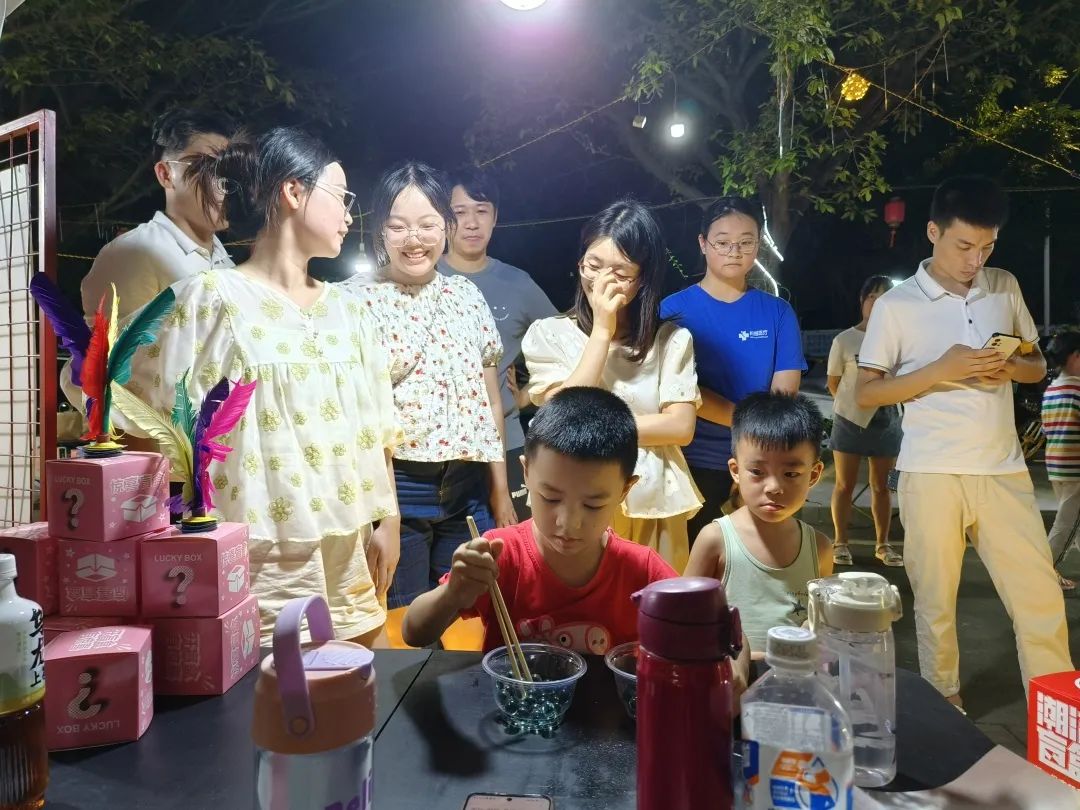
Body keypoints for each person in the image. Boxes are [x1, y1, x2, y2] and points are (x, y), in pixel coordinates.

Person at [120, 127, 400, 644]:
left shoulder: (350, 312)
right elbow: (134, 407)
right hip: (261, 561)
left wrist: (391, 521)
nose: (349, 216)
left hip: (349, 555)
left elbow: (379, 427)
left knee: (356, 682)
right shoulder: (210, 299)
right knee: (270, 686)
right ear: (294, 191)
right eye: (342, 197)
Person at [856, 175, 1072, 707]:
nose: (975, 260)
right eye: (964, 246)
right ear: (933, 232)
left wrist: (1009, 367)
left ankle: (1055, 713)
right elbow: (867, 392)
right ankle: (945, 705)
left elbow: (1035, 365)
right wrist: (941, 369)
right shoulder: (897, 305)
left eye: (987, 247)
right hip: (931, 471)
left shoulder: (1004, 285)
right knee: (935, 603)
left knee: (1040, 597)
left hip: (1002, 469)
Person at [403, 387, 750, 695]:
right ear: (526, 472)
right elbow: (415, 633)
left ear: (625, 489)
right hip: (518, 717)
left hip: (606, 730)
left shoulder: (641, 569)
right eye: (551, 498)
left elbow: (723, 626)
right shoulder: (500, 554)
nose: (568, 523)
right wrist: (453, 593)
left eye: (593, 504)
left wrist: (736, 666)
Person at [340, 162, 515, 609]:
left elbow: (490, 401)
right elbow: (362, 419)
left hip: (469, 488)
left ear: (446, 227)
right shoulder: (353, 300)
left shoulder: (467, 297)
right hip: (399, 488)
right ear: (380, 229)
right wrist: (387, 518)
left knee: (466, 618)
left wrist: (499, 492)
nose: (413, 239)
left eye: (427, 224)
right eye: (398, 226)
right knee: (403, 622)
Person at [523, 199, 701, 572]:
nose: (602, 281)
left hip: (655, 498)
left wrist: (598, 429)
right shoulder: (548, 335)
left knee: (656, 598)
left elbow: (680, 427)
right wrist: (602, 330)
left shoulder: (670, 340)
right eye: (593, 266)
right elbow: (564, 417)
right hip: (575, 497)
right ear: (579, 263)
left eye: (620, 272)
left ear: (643, 279)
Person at [660, 197, 806, 544]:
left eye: (746, 242)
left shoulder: (778, 313)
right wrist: (752, 423)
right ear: (703, 244)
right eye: (722, 242)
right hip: (688, 463)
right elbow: (677, 389)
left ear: (758, 244)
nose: (734, 252)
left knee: (759, 561)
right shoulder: (671, 311)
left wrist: (755, 461)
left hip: (761, 465)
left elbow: (783, 398)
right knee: (691, 564)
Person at [437, 170, 558, 518]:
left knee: (513, 543)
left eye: (481, 211)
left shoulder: (517, 284)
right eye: (459, 212)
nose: (471, 223)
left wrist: (527, 394)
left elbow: (564, 341)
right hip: (443, 446)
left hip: (508, 442)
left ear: (495, 217)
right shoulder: (426, 276)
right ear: (444, 218)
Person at [684, 392, 832, 658]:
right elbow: (683, 616)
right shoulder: (716, 539)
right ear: (735, 471)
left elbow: (819, 622)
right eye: (757, 472)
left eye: (791, 474)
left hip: (793, 678)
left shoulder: (819, 548)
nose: (774, 487)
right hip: (725, 677)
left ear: (814, 474)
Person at [80, 109, 238, 321]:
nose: (225, 183)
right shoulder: (132, 254)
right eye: (208, 167)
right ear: (166, 174)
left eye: (231, 171)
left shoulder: (224, 260)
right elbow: (118, 342)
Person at [827, 275, 904, 568]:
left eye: (884, 297)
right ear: (862, 301)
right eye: (872, 296)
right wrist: (852, 405)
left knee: (882, 487)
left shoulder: (899, 339)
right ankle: (840, 543)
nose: (877, 302)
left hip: (887, 419)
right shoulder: (844, 340)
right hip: (849, 419)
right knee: (844, 485)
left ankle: (883, 545)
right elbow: (834, 383)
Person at [1042, 329, 1080, 589]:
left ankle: (1046, 573)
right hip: (1076, 468)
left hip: (1056, 466)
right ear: (1076, 356)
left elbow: (1047, 429)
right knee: (1065, 525)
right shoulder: (1077, 390)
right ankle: (1042, 573)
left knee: (1073, 521)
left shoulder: (1052, 390)